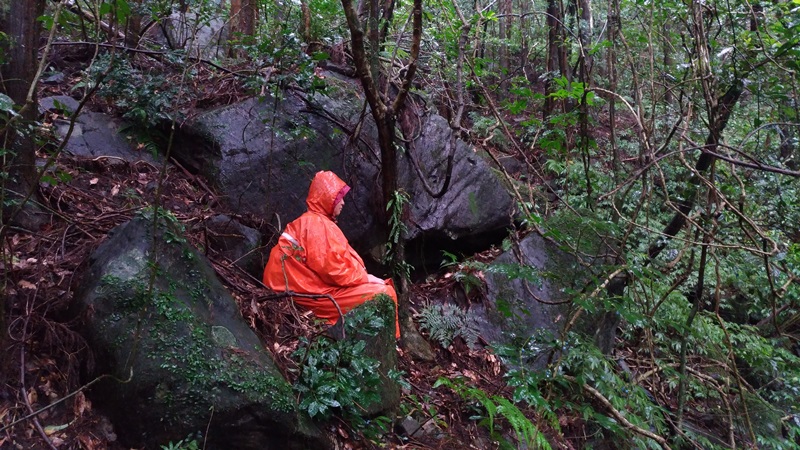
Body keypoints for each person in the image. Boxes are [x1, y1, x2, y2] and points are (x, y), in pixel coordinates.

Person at [263, 171, 400, 338]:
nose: (342, 203)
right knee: (384, 294)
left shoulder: (313, 221)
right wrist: (365, 279)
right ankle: (389, 346)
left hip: (296, 289)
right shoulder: (316, 225)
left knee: (381, 290)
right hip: (303, 294)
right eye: (338, 198)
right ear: (327, 199)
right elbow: (334, 271)